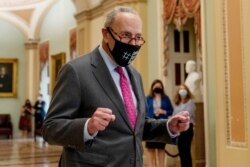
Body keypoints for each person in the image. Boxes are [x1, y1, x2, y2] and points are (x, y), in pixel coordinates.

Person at [42, 6, 190, 167]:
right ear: (106, 34)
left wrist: (168, 126)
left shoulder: (134, 75)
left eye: (138, 37)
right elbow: (51, 128)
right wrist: (87, 127)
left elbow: (135, 127)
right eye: (126, 35)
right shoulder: (76, 71)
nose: (133, 44)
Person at [145, 79, 173, 167]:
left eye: (159, 87)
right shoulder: (148, 98)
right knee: (150, 148)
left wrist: (163, 111)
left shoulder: (166, 98)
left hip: (161, 125)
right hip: (150, 125)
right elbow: (144, 110)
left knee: (161, 148)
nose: (158, 88)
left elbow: (171, 111)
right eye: (156, 87)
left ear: (162, 88)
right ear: (152, 87)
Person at [173, 84, 196, 167]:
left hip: (187, 129)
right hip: (179, 130)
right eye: (181, 89)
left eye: (184, 89)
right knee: (181, 152)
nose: (182, 91)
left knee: (186, 152)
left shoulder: (190, 103)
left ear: (187, 91)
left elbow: (187, 115)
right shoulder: (178, 104)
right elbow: (174, 115)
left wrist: (178, 117)